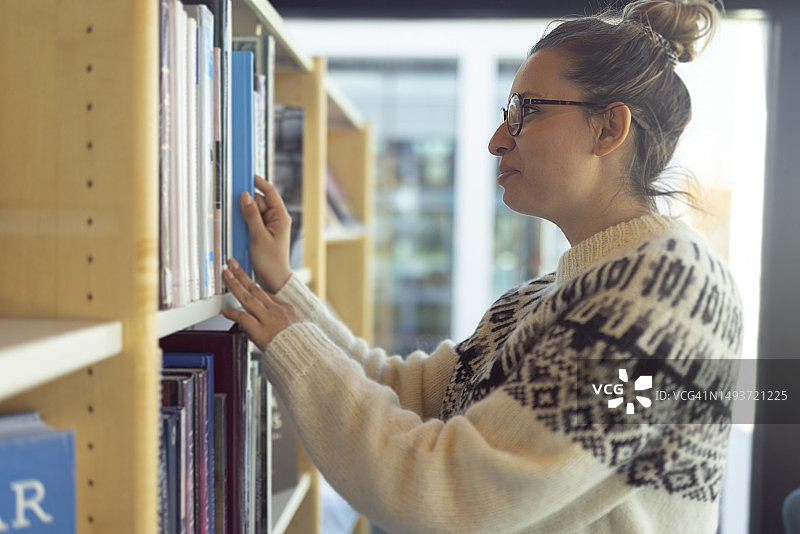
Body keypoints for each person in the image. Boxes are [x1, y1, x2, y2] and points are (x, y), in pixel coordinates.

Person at [222, 0, 743, 532]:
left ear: (610, 128)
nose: (497, 141)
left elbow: (450, 495)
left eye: (528, 111)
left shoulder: (666, 291)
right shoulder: (542, 298)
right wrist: (284, 288)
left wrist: (293, 342)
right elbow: (411, 396)